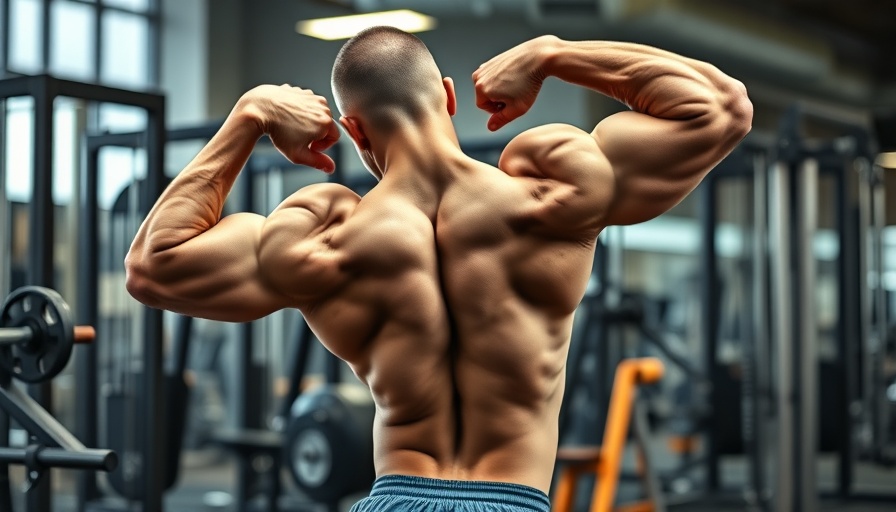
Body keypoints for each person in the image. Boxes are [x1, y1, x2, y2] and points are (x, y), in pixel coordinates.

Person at [126, 27, 752, 512]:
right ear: (449, 97)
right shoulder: (553, 195)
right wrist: (552, 55)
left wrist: (250, 116)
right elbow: (721, 108)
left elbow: (153, 268)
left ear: (354, 130)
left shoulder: (321, 239)